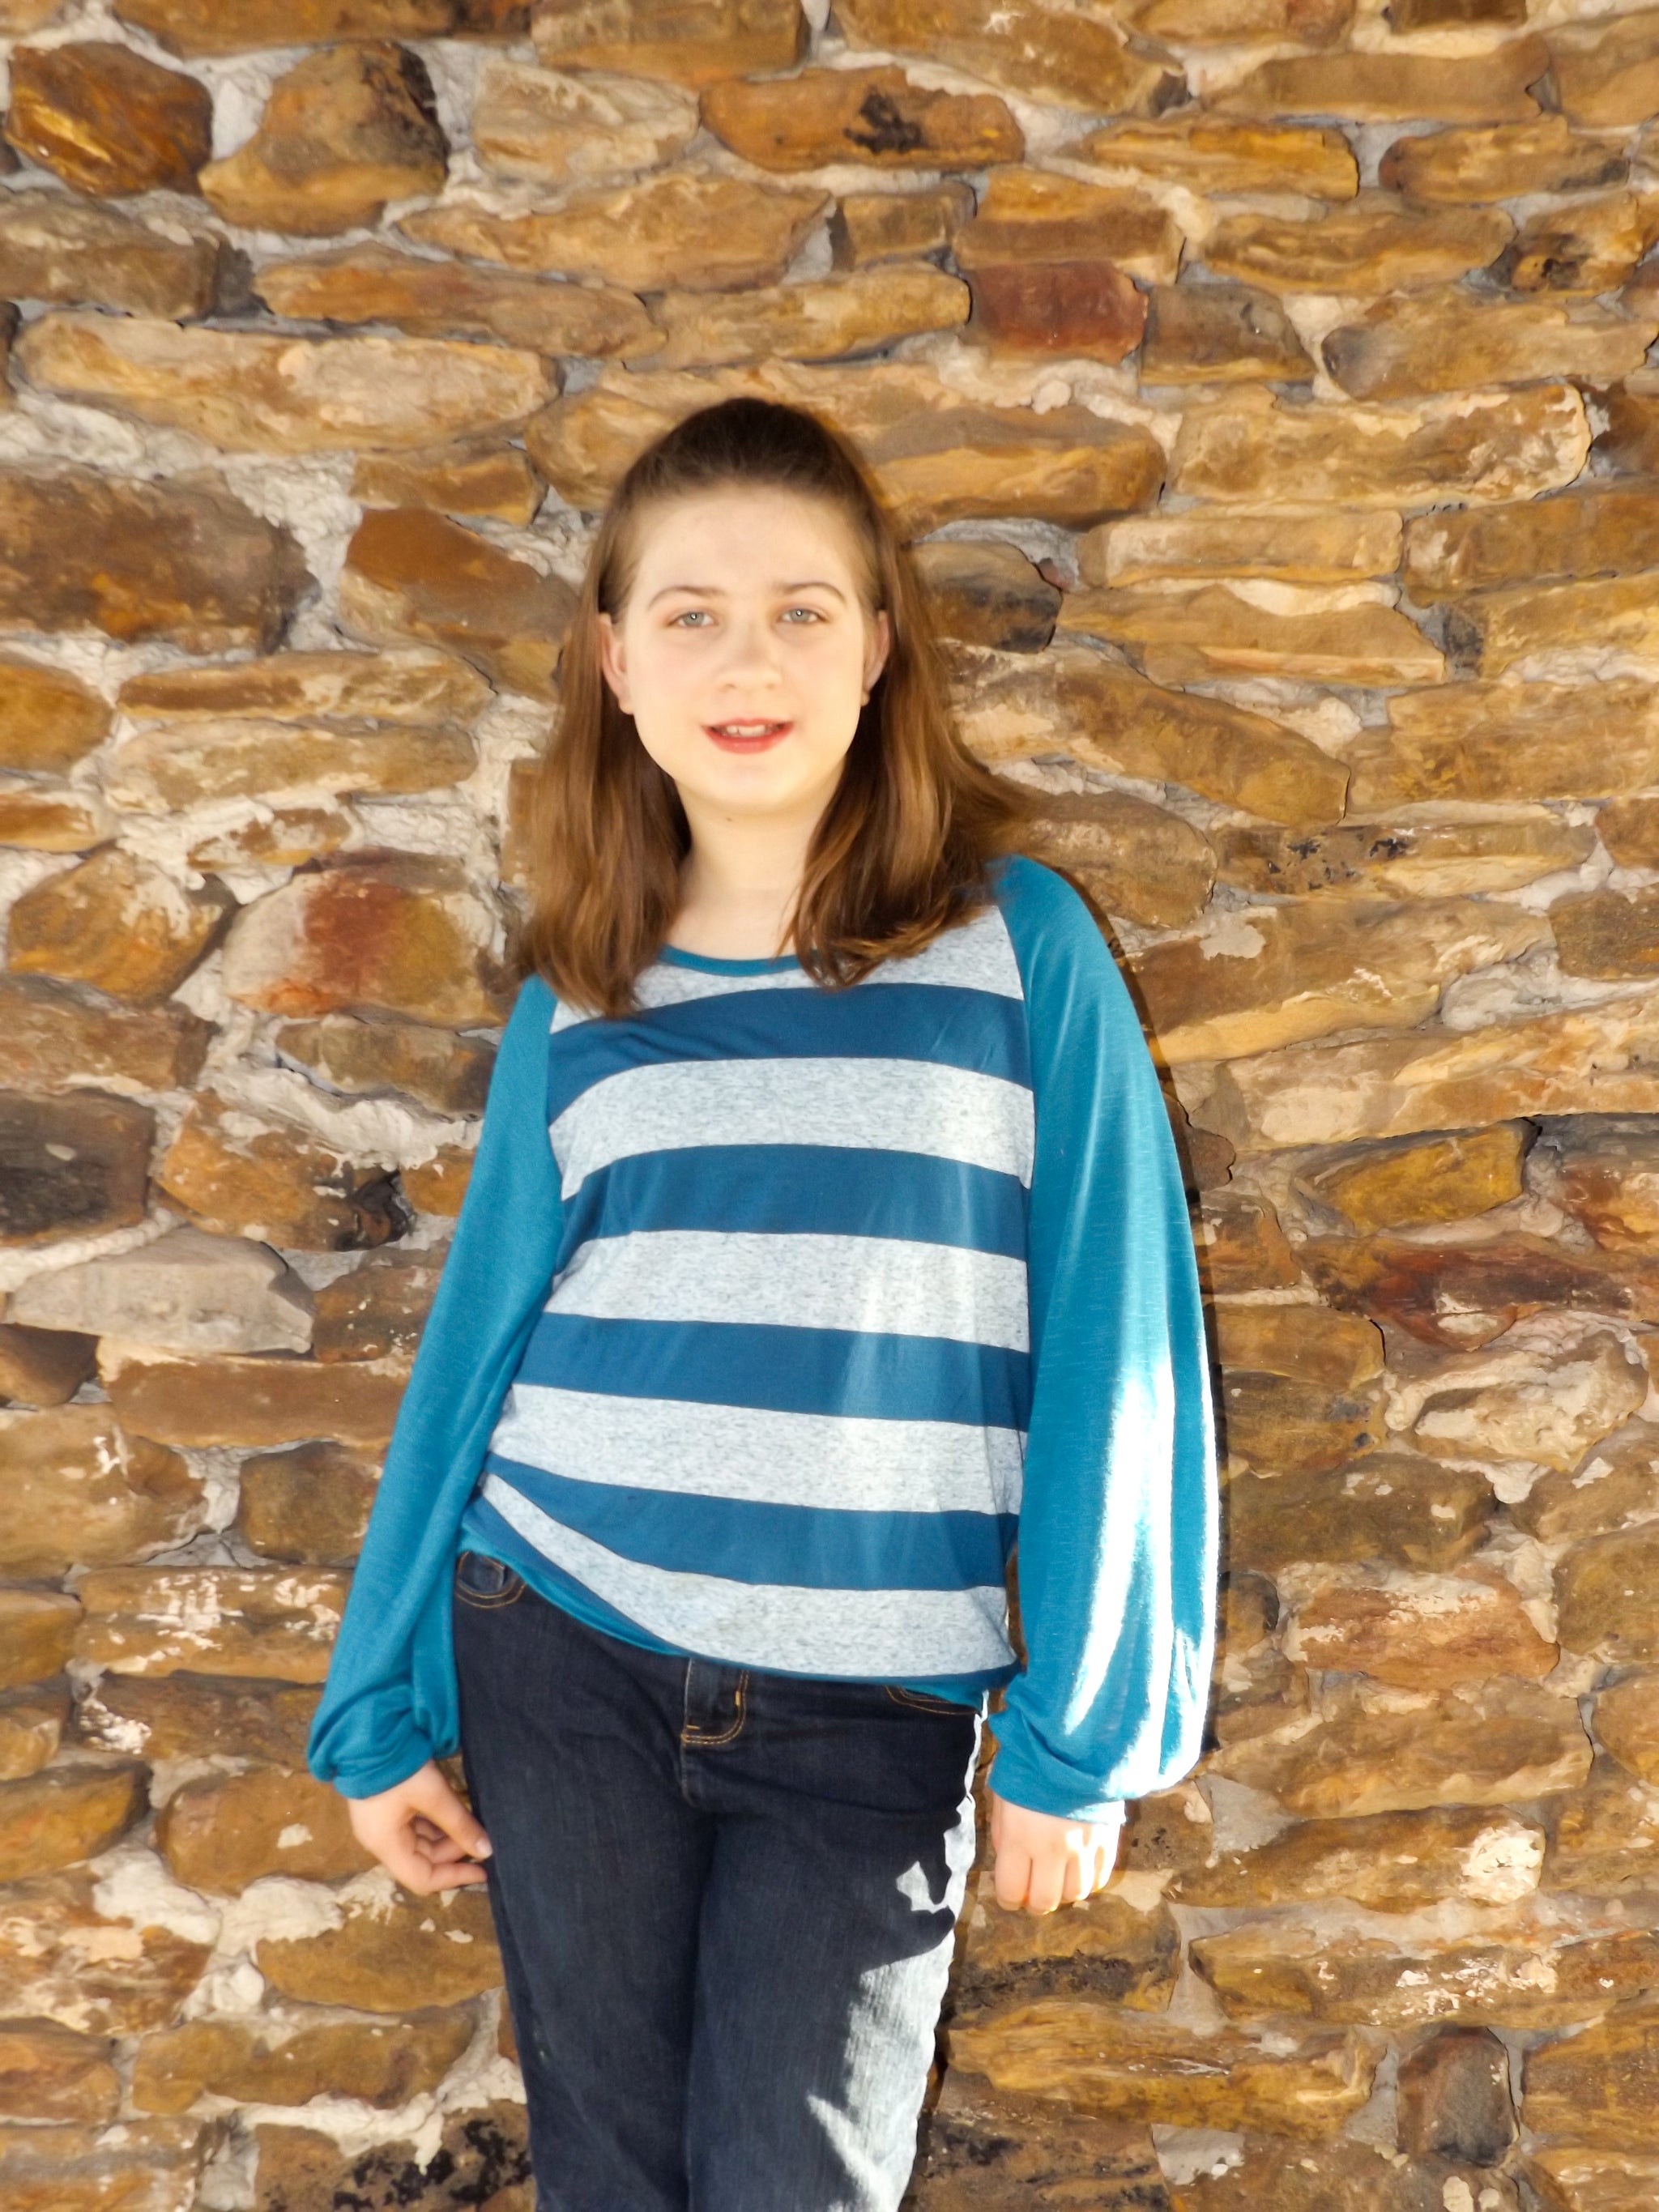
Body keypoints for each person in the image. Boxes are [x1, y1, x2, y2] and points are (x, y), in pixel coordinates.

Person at [307, 395, 1218, 2212]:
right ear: (615, 663)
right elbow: (477, 1349)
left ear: (876, 649)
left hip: (873, 1705)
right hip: (562, 1644)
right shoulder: (582, 989)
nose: (749, 660)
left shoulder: (1019, 943)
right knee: (613, 2180)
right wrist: (377, 1701)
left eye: (802, 610)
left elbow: (1121, 1338)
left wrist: (1079, 1740)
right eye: (693, 614)